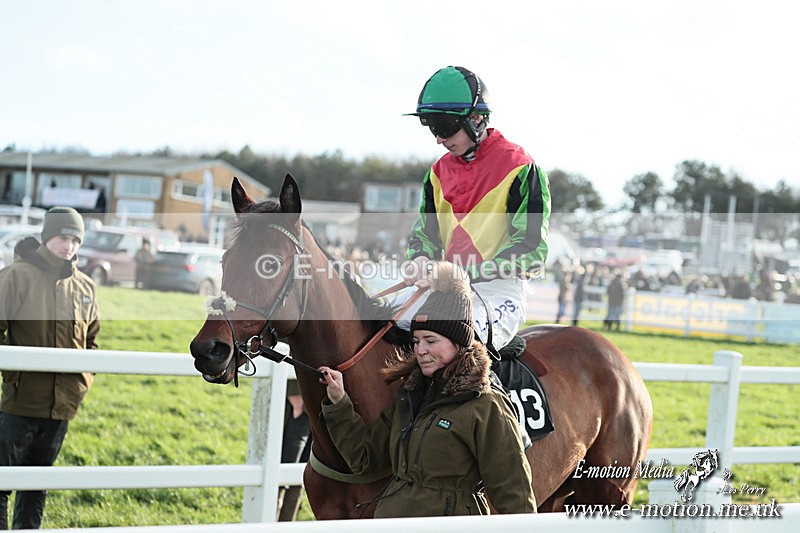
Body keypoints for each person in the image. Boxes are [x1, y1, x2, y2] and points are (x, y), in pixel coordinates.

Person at [319, 262, 536, 517]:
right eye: (416, 341)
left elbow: (515, 498)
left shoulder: (487, 406)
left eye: (431, 341)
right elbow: (364, 457)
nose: (420, 350)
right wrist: (339, 403)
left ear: (459, 342)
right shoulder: (410, 395)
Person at [395, 65, 551, 352]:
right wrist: (419, 258)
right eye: (432, 127)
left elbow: (531, 251)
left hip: (497, 292)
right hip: (440, 289)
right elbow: (424, 236)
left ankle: (489, 399)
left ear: (477, 119)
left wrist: (461, 273)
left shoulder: (521, 168)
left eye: (444, 127)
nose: (438, 138)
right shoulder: (436, 173)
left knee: (450, 341)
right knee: (373, 324)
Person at [0, 206, 100, 530]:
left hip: (62, 408)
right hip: (20, 402)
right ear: (47, 237)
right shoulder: (16, 275)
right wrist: (11, 374)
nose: (69, 245)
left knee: (37, 485)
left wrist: (84, 382)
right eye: (62, 237)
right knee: (1, 482)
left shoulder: (86, 287)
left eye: (75, 239)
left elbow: (93, 342)